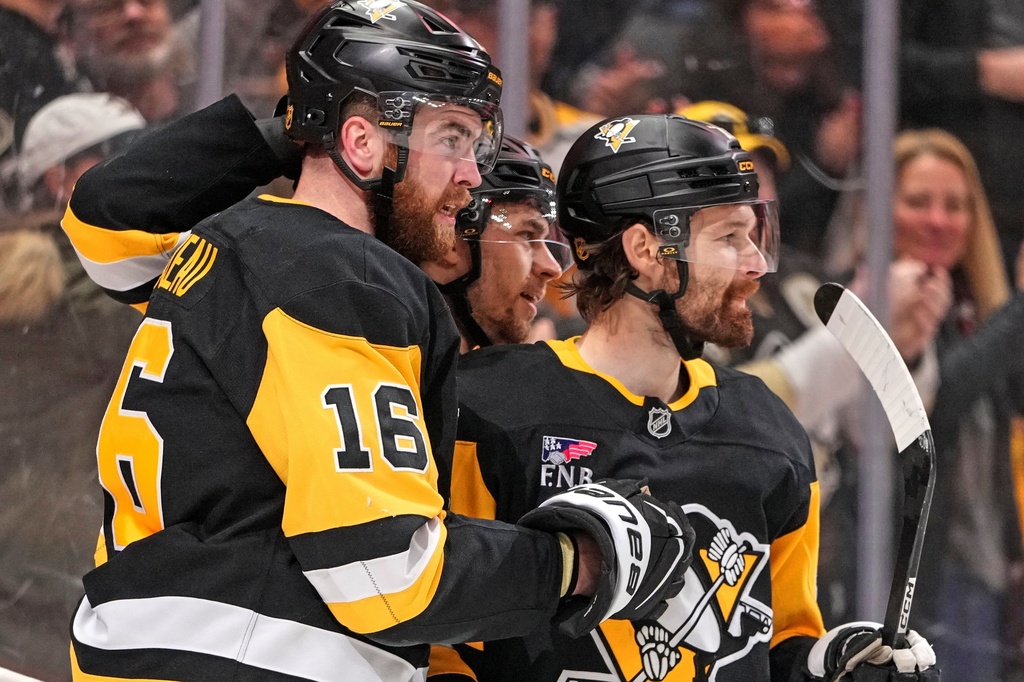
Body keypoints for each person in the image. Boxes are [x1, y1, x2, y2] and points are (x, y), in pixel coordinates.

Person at [62, 3, 692, 680]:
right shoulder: (341, 275)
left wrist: (312, 123)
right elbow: (383, 574)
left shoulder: (235, 245)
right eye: (450, 138)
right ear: (361, 143)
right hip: (252, 656)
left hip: (141, 642)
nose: (472, 176)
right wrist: (580, 562)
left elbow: (107, 233)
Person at [426, 114, 939, 682]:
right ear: (646, 249)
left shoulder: (767, 429)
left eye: (754, 237)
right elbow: (445, 649)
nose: (755, 266)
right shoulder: (491, 407)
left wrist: (840, 664)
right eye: (728, 238)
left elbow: (785, 640)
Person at [0, 93, 145, 680]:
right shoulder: (48, 280)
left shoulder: (105, 270)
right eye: (112, 154)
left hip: (58, 553)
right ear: (57, 176)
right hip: (41, 559)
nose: (141, 166)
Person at [884, 128, 1024, 682]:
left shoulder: (976, 313)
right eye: (918, 202)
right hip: (916, 584)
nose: (938, 220)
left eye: (955, 205)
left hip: (988, 579)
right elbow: (929, 411)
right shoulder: (861, 307)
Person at [66, 0, 193, 123]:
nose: (134, 14)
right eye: (107, 7)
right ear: (71, 34)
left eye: (146, 1)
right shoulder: (66, 123)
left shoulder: (206, 97)